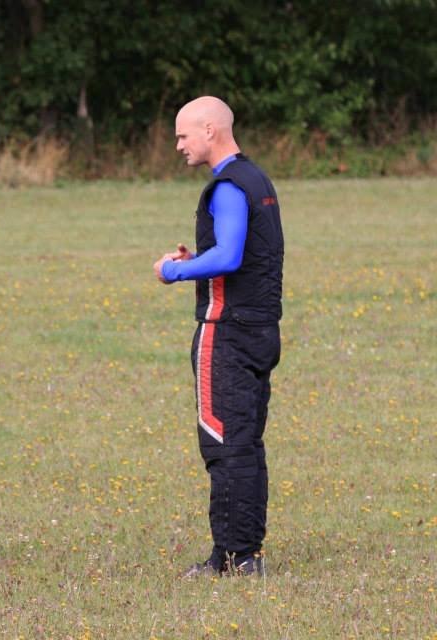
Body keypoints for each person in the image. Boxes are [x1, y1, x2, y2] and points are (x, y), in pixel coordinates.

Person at [153, 96, 284, 577]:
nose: (178, 145)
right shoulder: (257, 180)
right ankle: (247, 553)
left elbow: (228, 257)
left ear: (210, 130)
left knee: (224, 446)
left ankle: (230, 559)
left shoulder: (227, 185)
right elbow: (245, 253)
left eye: (183, 135)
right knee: (247, 443)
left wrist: (173, 270)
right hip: (262, 330)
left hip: (226, 334)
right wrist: (196, 261)